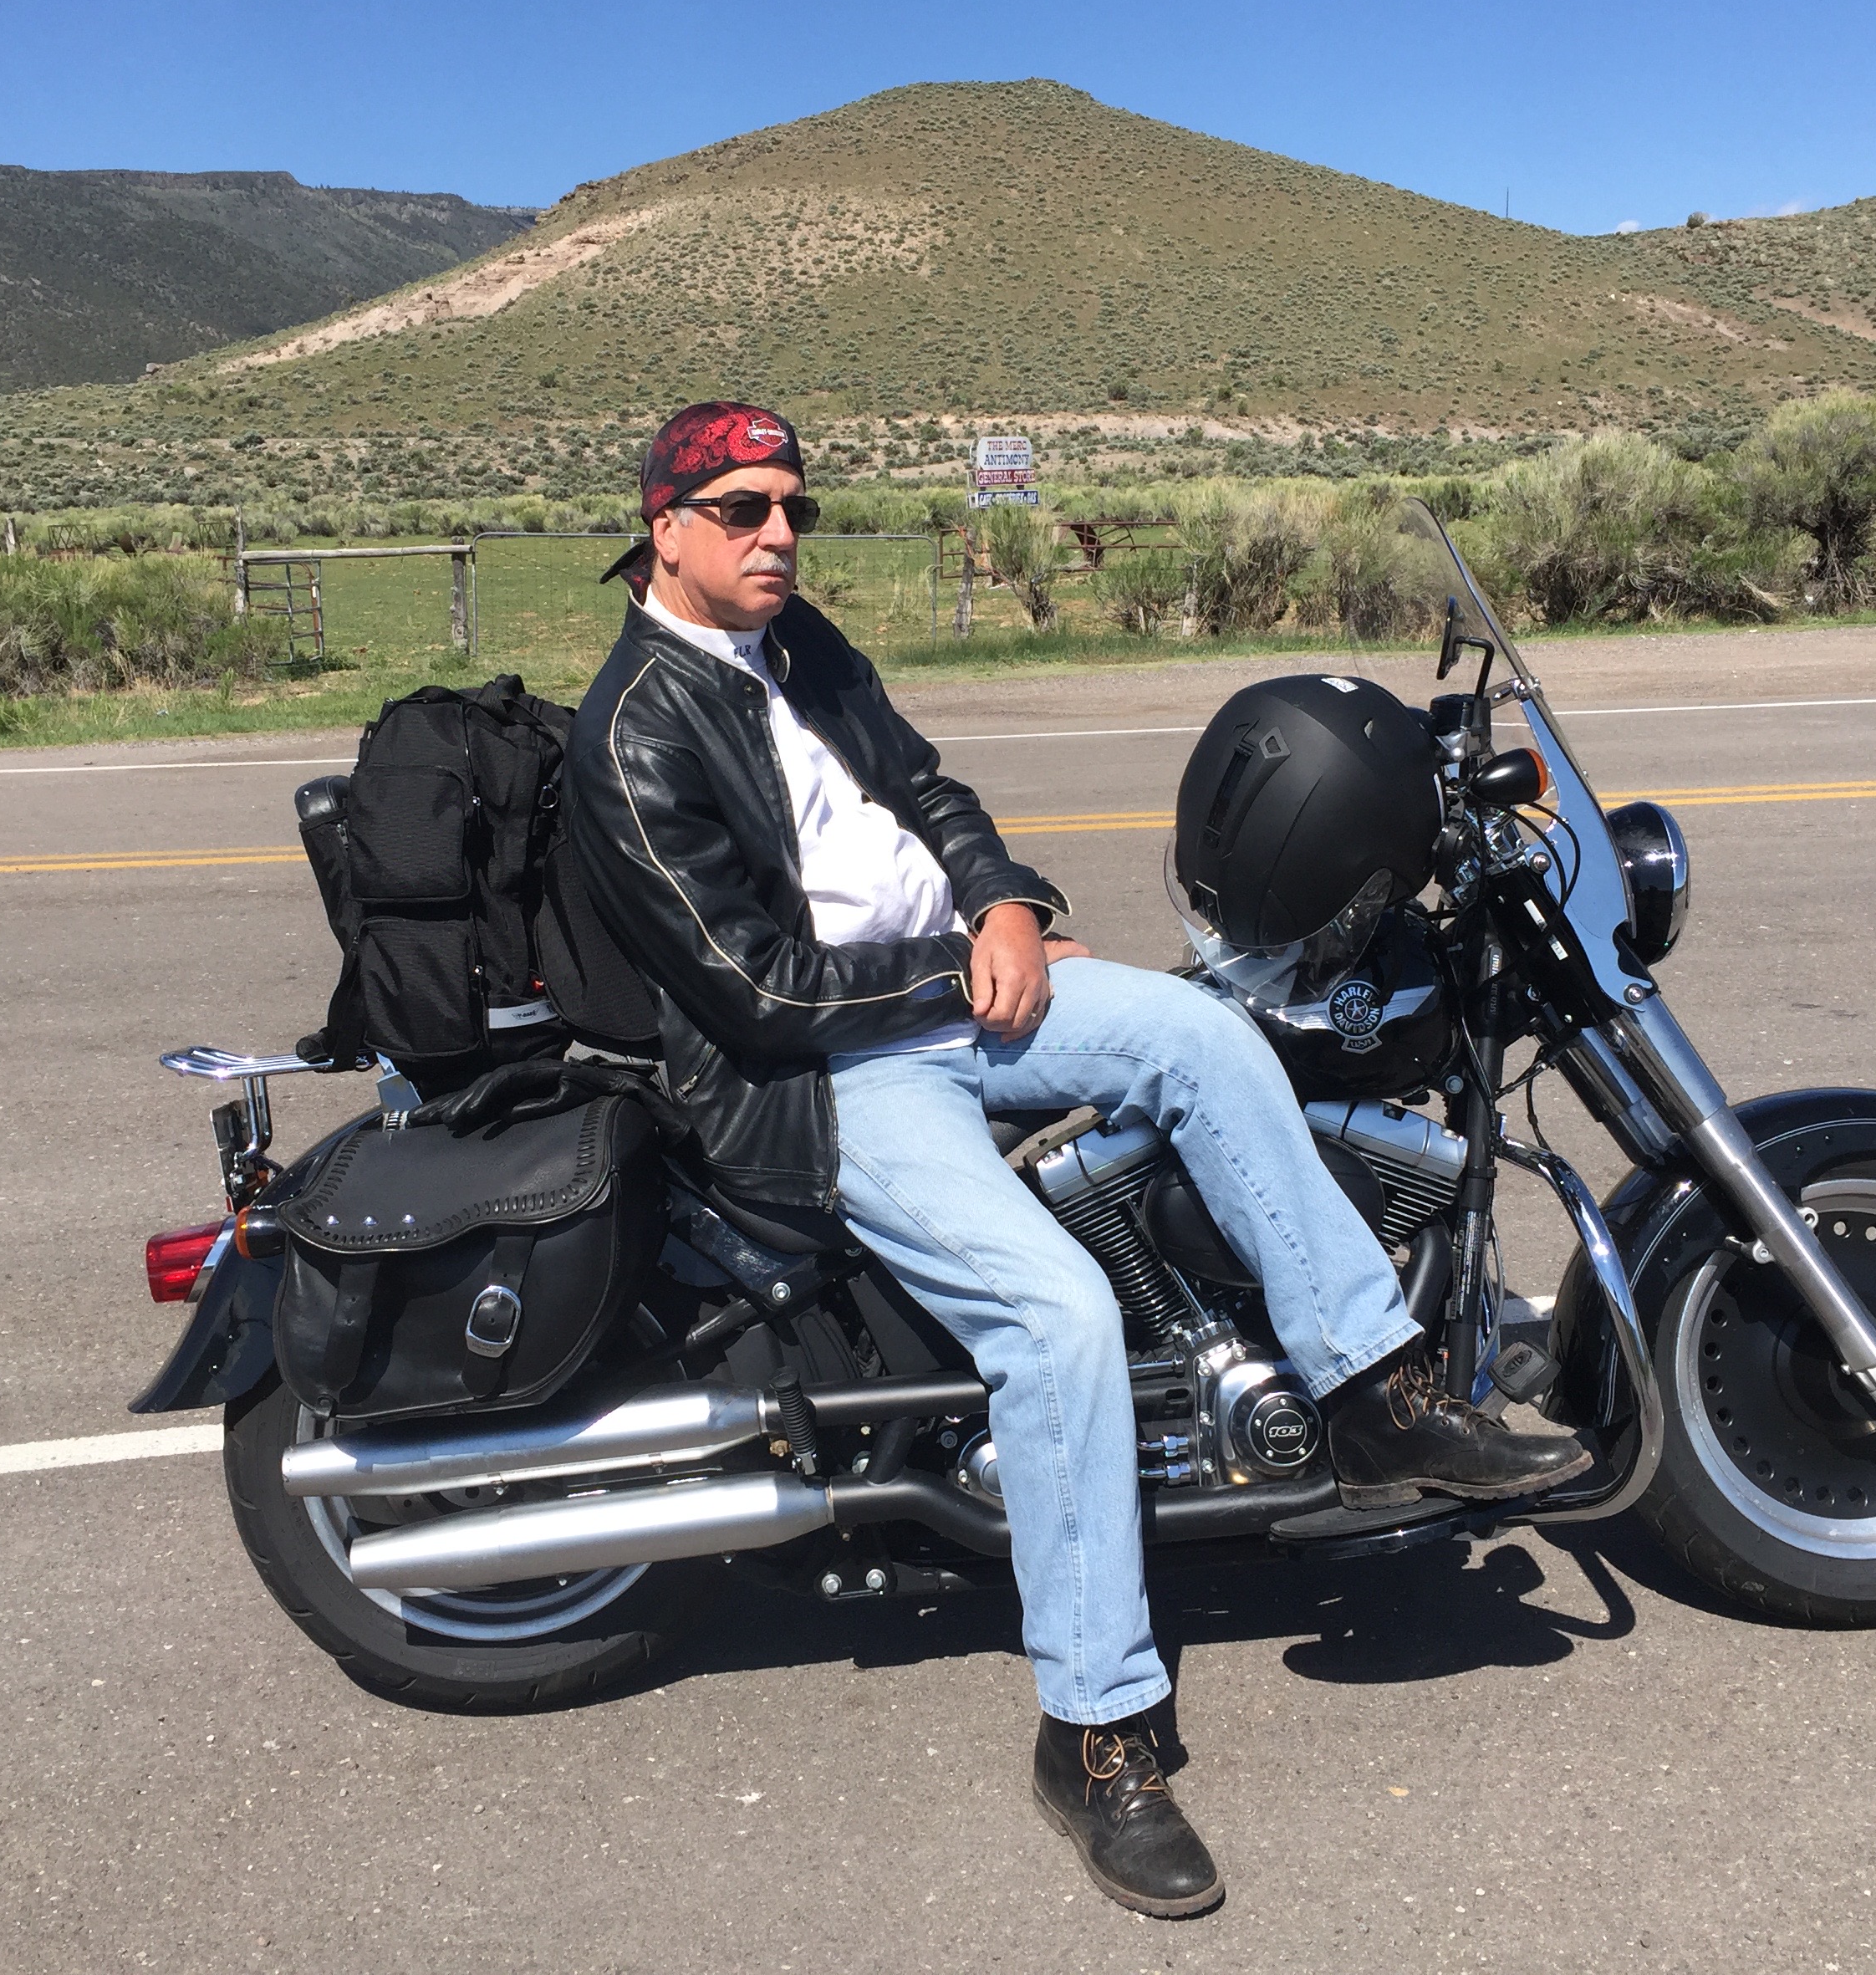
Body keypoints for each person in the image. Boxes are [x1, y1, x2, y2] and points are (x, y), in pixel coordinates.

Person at [568, 402, 1583, 1919]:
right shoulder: (634, 729)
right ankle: (1097, 1736)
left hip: (959, 993)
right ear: (666, 530)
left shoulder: (796, 642)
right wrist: (965, 967)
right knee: (1055, 1322)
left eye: (794, 508)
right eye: (742, 511)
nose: (778, 535)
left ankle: (1376, 1396)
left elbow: (929, 792)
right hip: (828, 1075)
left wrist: (1008, 907)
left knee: (1207, 1034)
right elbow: (755, 993)